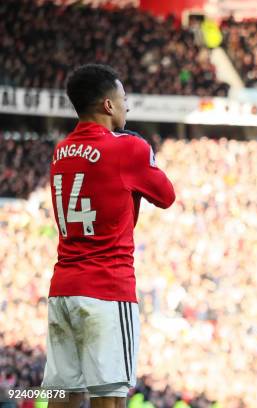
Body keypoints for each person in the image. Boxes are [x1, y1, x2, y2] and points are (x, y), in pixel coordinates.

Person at [41, 64, 175, 408]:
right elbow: (166, 196)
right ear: (108, 104)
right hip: (107, 288)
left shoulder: (61, 152)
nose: (127, 106)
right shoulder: (128, 149)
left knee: (64, 395)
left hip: (63, 289)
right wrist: (144, 150)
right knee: (110, 399)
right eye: (123, 98)